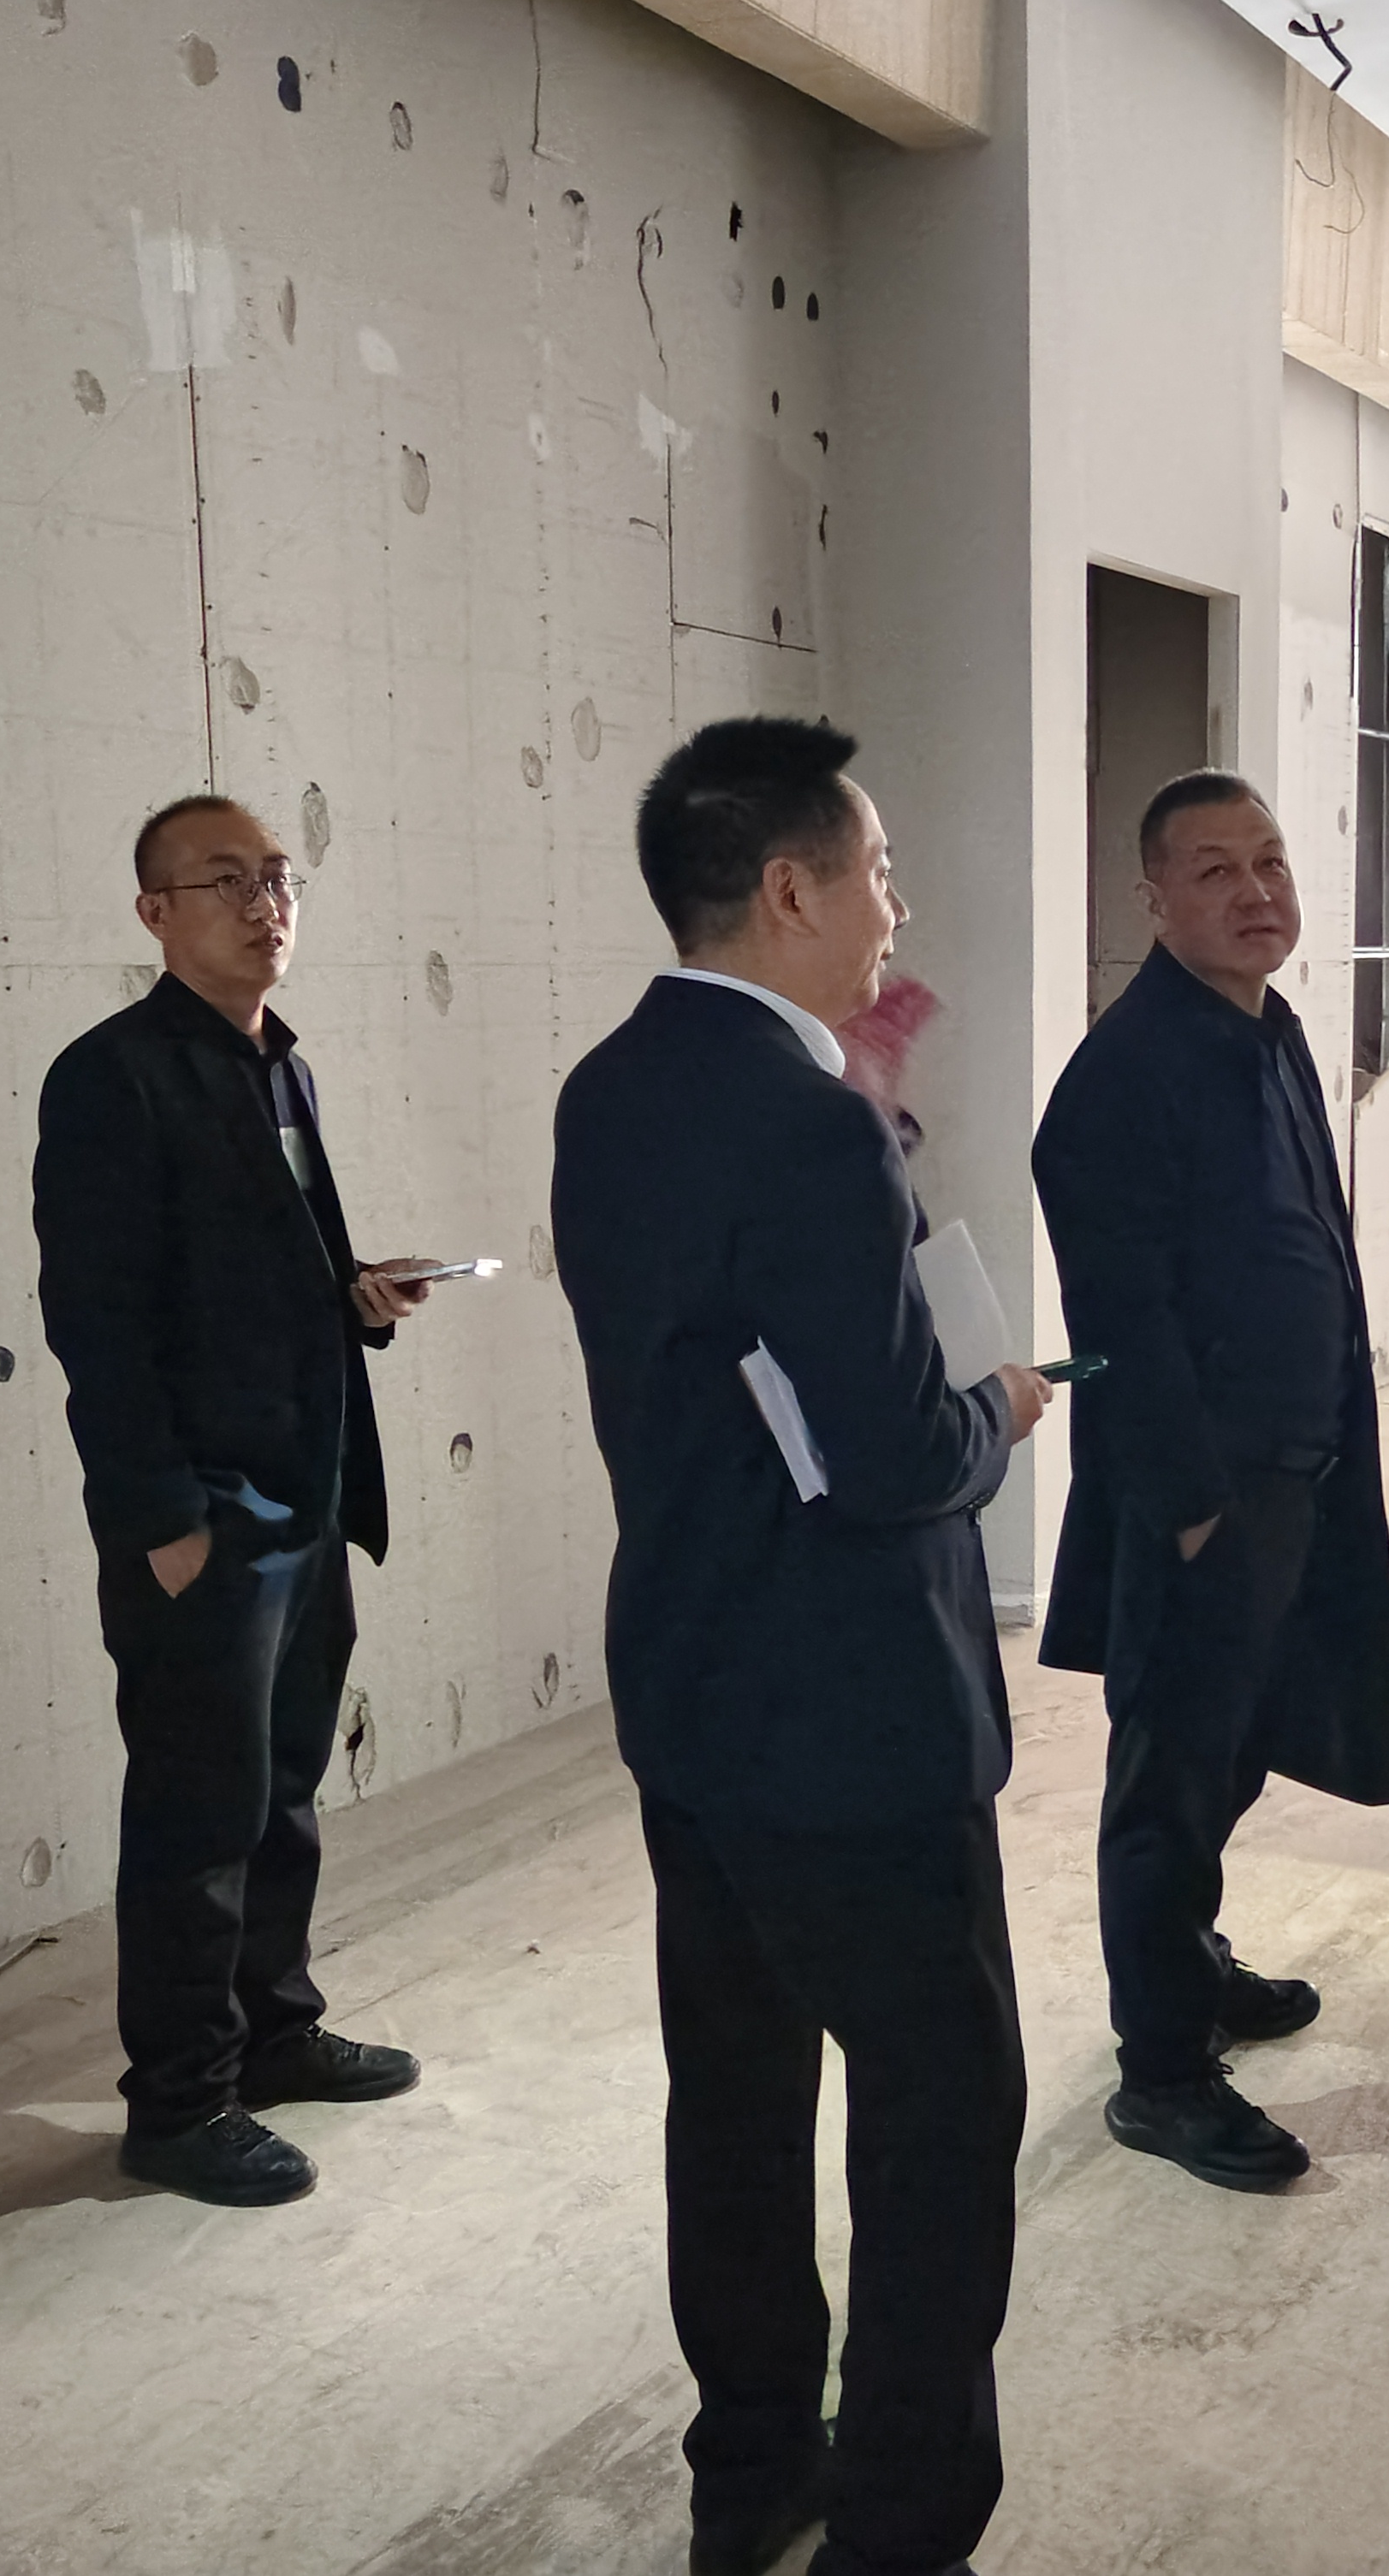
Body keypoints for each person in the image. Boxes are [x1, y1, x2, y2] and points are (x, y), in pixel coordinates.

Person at [552, 717, 1051, 2576]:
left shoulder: (612, 1087)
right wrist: (998, 1407)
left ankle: (752, 2471)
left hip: (694, 1690)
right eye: (878, 871)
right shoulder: (810, 1122)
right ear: (788, 889)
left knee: (741, 2106)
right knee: (939, 2123)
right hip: (856, 1722)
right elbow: (893, 1453)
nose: (894, 908)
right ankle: (902, 2529)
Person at [33, 795, 438, 2210]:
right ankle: (180, 2103)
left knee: (284, 1790)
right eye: (227, 882)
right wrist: (166, 1520)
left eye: (279, 879)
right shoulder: (113, 1080)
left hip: (306, 1494)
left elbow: (259, 1273)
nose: (267, 905)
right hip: (206, 1513)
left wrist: (355, 1297)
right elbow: (96, 1320)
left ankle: (274, 2033)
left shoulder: (279, 1066)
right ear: (155, 913)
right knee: (197, 1815)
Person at [1033, 771, 1389, 2194]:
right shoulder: (1125, 1076)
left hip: (1299, 1470)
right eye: (1214, 871)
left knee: (1239, 1747)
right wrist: (1192, 1508)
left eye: (1270, 862)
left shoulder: (1268, 1031)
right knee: (1172, 1778)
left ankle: (1186, 1963)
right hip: (1206, 1498)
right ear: (1153, 900)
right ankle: (1163, 2075)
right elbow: (1119, 1319)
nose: (1256, 892)